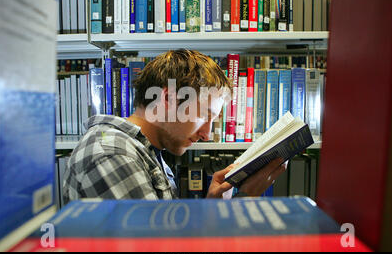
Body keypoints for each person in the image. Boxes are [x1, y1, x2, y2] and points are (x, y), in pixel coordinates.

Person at [63, 49, 286, 204]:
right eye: (203, 115)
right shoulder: (113, 154)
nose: (206, 135)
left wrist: (212, 207)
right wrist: (245, 199)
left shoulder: (147, 151)